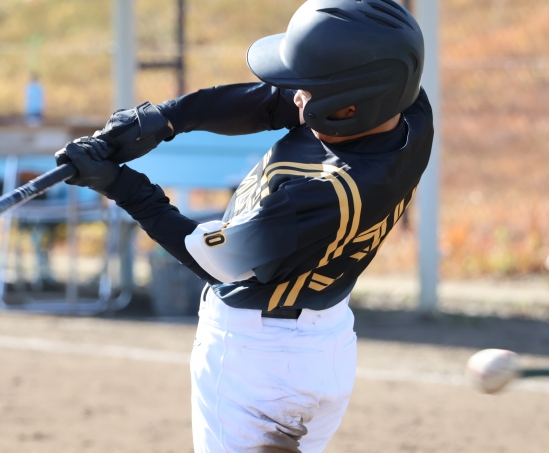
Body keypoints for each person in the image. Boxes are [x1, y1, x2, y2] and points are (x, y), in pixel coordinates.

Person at [57, 0, 433, 451]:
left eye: (308, 90)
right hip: (316, 348)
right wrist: (167, 118)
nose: (295, 95)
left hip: (260, 365)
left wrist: (119, 184)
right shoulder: (405, 113)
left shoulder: (326, 193)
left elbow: (213, 258)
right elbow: (270, 103)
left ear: (348, 107)